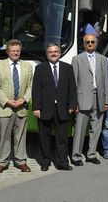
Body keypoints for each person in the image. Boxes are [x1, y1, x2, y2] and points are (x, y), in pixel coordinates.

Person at [32, 43, 77, 171]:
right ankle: (45, 162)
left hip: (63, 109)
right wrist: (36, 108)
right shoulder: (40, 69)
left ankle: (62, 162)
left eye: (55, 51)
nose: (53, 54)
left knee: (62, 138)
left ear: (60, 53)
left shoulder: (68, 68)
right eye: (50, 52)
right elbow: (36, 90)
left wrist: (72, 105)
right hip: (45, 109)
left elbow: (72, 88)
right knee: (44, 138)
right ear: (47, 54)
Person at [0, 39, 33, 174]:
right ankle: (2, 163)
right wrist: (7, 101)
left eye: (18, 51)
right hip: (6, 107)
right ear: (8, 52)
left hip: (22, 107)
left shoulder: (27, 66)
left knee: (21, 136)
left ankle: (21, 161)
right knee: (4, 136)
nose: (15, 53)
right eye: (13, 50)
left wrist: (24, 99)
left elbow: (31, 87)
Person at [71, 33, 108, 166]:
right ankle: (76, 156)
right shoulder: (77, 59)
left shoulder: (103, 59)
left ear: (96, 43)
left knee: (96, 128)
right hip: (82, 98)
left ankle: (91, 154)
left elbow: (106, 81)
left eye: (92, 42)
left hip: (98, 98)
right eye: (87, 42)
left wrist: (106, 101)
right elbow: (74, 82)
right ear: (83, 43)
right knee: (80, 129)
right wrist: (74, 102)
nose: (90, 44)